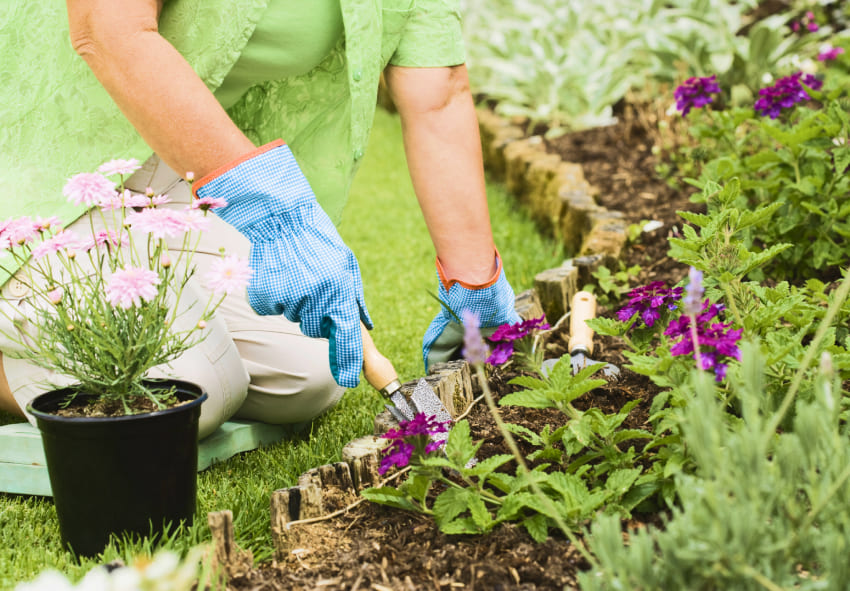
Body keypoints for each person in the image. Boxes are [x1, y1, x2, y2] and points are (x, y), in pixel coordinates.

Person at [0, 0, 520, 437]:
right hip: (40, 165)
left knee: (310, 374)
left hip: (179, 168)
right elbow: (107, 30)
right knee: (184, 388)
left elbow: (439, 93)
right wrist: (272, 208)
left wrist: (476, 287)